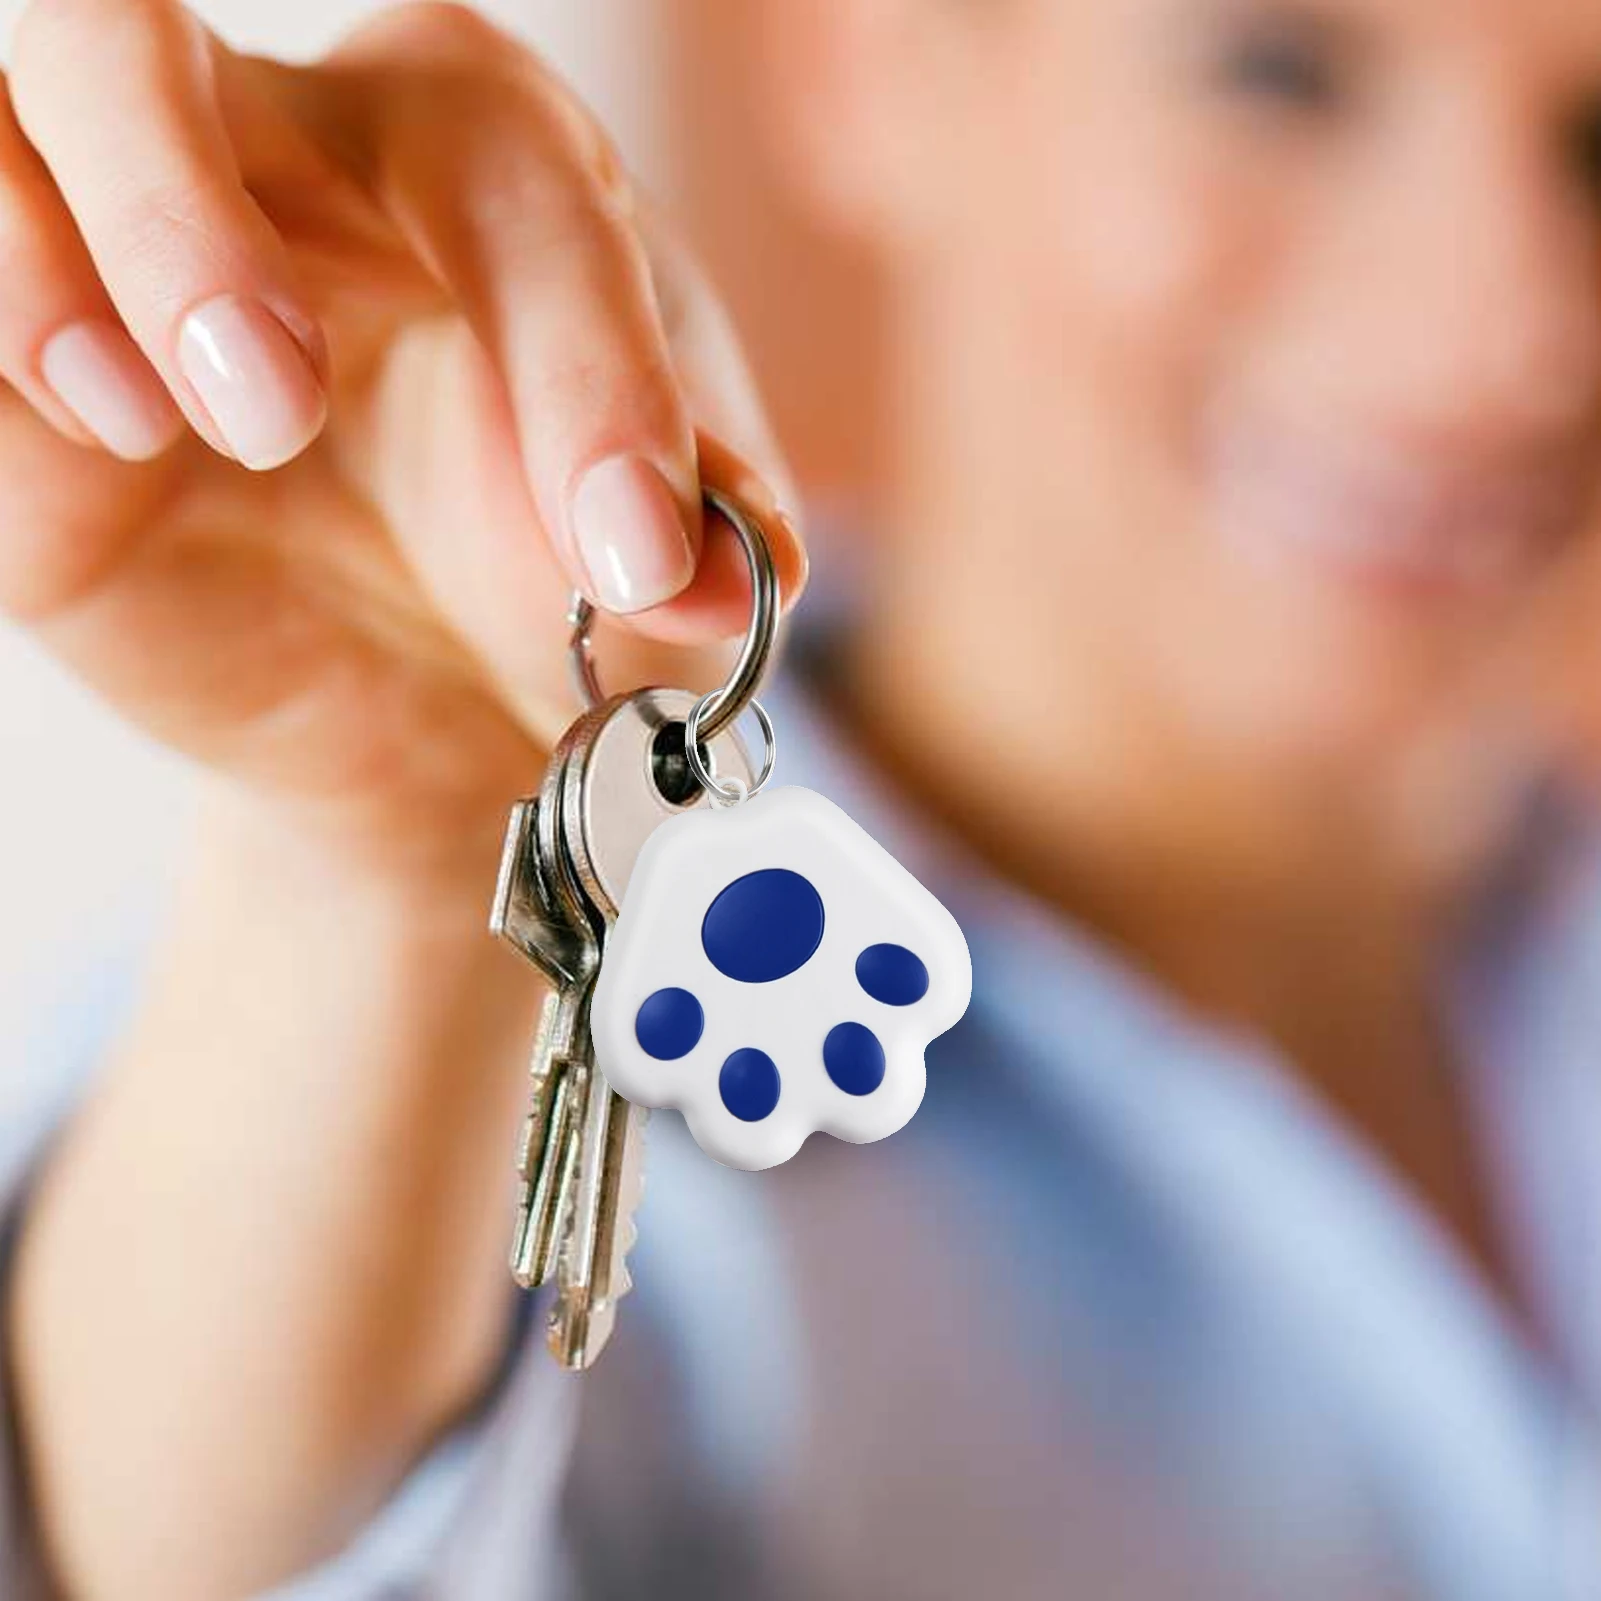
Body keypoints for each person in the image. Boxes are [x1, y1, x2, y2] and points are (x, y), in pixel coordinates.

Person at [0, 0, 1598, 1596]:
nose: (1508, 328)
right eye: (1278, 73)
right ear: (875, 55)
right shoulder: (510, 1023)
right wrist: (377, 871)